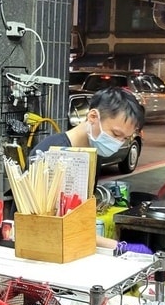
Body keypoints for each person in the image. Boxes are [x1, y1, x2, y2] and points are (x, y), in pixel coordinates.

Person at [32, 87, 145, 249]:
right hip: (42, 249)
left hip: (70, 247)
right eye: (115, 134)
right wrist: (118, 246)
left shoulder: (92, 155)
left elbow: (76, 220)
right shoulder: (51, 152)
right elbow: (46, 225)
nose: (119, 142)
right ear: (92, 116)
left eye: (125, 138)